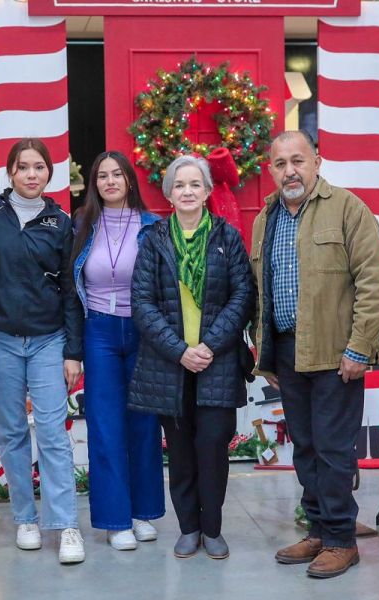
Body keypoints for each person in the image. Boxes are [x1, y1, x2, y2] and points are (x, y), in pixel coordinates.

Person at [251, 131, 379, 578]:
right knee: (306, 449)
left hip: (337, 353)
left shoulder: (347, 208)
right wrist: (267, 355)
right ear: (271, 170)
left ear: (317, 161)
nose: (289, 170)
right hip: (289, 353)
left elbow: (374, 282)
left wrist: (359, 348)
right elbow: (261, 292)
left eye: (298, 160)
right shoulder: (265, 219)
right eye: (280, 163)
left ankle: (339, 540)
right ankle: (316, 529)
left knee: (333, 450)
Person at [129, 154, 255, 560]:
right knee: (180, 452)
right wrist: (181, 351)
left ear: (206, 191)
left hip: (217, 362)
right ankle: (188, 528)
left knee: (213, 449)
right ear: (169, 193)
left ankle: (213, 529)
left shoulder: (227, 237)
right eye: (179, 185)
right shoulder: (153, 240)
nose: (186, 191)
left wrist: (209, 346)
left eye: (194, 184)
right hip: (170, 366)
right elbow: (142, 303)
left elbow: (243, 296)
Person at [0, 138, 86, 565]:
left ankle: (66, 523)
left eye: (39, 167)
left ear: (48, 174)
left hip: (48, 339)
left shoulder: (61, 223)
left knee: (54, 433)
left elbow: (71, 291)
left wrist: (73, 351)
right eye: (23, 167)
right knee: (12, 432)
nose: (31, 174)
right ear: (11, 172)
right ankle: (26, 518)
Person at [71, 151, 166, 550]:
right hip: (99, 332)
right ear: (95, 184)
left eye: (117, 174)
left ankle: (142, 512)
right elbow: (67, 289)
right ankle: (115, 520)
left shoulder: (153, 226)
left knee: (144, 424)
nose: (110, 181)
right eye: (102, 176)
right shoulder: (81, 224)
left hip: (143, 331)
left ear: (130, 180)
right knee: (106, 425)